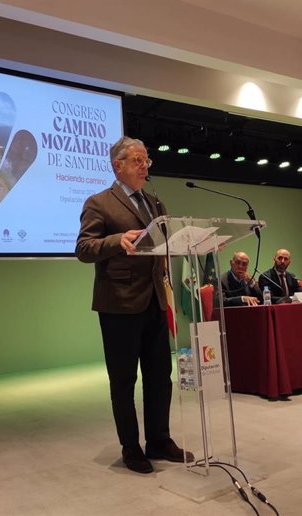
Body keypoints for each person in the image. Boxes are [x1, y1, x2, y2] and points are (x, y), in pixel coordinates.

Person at [76, 136, 193, 474]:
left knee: (160, 376)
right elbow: (84, 248)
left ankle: (159, 439)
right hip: (119, 304)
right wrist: (117, 240)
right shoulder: (99, 202)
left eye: (147, 161)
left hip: (155, 300)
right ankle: (131, 447)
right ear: (119, 165)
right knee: (124, 380)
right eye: (138, 160)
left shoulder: (155, 204)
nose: (145, 166)